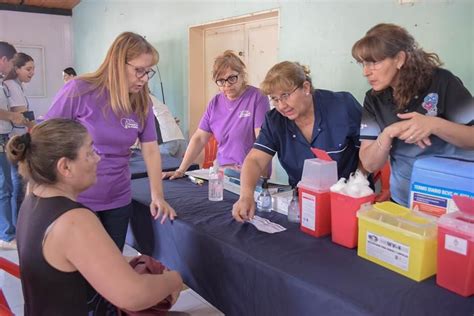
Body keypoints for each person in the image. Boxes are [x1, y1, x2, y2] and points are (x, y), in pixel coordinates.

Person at [8, 118, 182, 314]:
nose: (98, 158)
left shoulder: (32, 200)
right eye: (90, 152)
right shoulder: (74, 220)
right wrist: (175, 279)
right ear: (65, 167)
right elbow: (134, 296)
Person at [45, 32, 175, 251]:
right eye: (139, 70)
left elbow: (151, 150)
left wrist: (158, 196)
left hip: (118, 198)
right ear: (117, 63)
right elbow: (47, 137)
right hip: (78, 199)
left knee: (112, 263)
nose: (144, 78)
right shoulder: (79, 90)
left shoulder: (142, 102)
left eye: (148, 72)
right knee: (80, 270)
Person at [351, 23, 474, 207]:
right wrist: (387, 134)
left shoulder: (441, 81)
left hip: (450, 199)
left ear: (399, 59)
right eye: (363, 63)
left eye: (374, 62)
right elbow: (369, 164)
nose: (366, 72)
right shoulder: (373, 99)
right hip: (403, 198)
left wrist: (433, 125)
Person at [232, 61, 362, 222]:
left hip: (349, 201)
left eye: (285, 96)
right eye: (274, 99)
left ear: (306, 88)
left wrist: (359, 185)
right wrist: (246, 195)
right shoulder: (275, 121)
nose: (281, 105)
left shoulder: (341, 106)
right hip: (305, 203)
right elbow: (255, 159)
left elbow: (369, 149)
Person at [163, 50, 269, 179]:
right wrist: (181, 170)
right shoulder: (215, 103)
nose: (227, 85)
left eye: (232, 78)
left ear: (242, 75)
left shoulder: (257, 97)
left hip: (251, 172)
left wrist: (249, 173)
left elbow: (262, 142)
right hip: (223, 172)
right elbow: (200, 138)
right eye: (221, 81)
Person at [0, 42, 27, 250]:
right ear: (4, 61)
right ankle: (7, 235)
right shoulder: (8, 84)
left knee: (7, 186)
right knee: (5, 187)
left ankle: (8, 231)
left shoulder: (3, 83)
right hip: (4, 136)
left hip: (5, 135)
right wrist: (13, 116)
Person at [4, 52, 36, 225]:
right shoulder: (11, 85)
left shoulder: (17, 85)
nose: (32, 72)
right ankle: (18, 223)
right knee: (17, 182)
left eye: (33, 69)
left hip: (17, 137)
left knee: (17, 182)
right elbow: (23, 114)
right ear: (16, 69)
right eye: (28, 69)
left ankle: (19, 222)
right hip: (15, 139)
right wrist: (36, 126)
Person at [150, 93, 187, 158]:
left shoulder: (143, 98)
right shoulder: (158, 102)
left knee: (158, 166)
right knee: (176, 167)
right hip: (180, 139)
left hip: (166, 141)